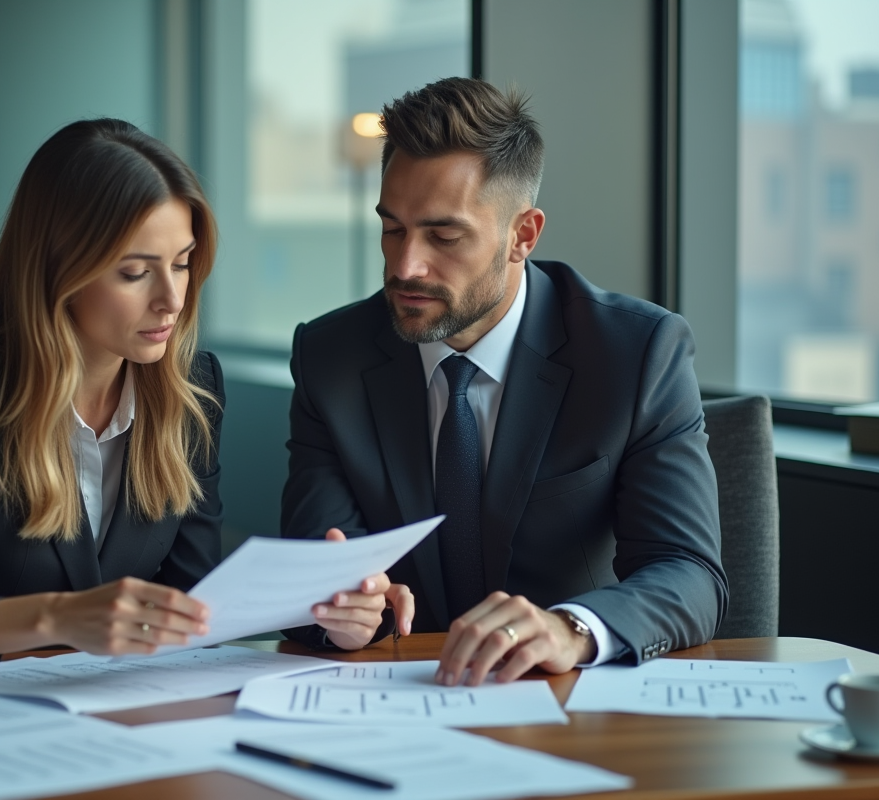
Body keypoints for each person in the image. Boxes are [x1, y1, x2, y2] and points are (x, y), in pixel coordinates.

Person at [0, 120, 396, 675]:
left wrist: (326, 617)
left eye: (182, 263)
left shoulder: (191, 391)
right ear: (57, 271)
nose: (172, 299)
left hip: (127, 723)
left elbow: (195, 606)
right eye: (134, 272)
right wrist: (56, 618)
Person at [281, 78, 728, 684]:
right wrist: (340, 612)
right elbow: (317, 562)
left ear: (523, 236)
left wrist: (570, 629)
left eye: (444, 236)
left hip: (564, 702)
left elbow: (688, 572)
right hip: (393, 698)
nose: (405, 265)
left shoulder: (636, 352)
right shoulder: (330, 355)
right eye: (392, 228)